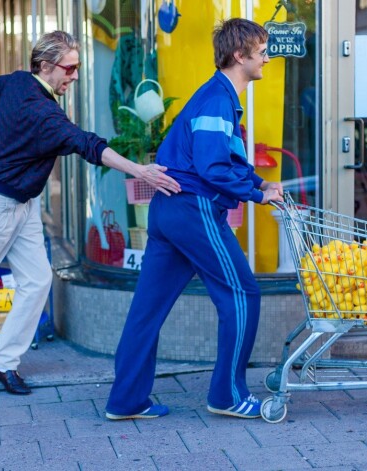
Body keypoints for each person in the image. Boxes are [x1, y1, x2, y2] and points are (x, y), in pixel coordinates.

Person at [0, 31, 180, 395]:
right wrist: (140, 171)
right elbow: (88, 144)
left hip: (23, 205)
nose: (75, 76)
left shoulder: (15, 83)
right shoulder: (44, 114)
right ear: (46, 67)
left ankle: (3, 363)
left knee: (37, 280)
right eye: (70, 68)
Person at [105, 18, 283, 420]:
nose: (267, 57)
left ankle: (125, 400)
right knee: (243, 294)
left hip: (171, 210)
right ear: (240, 55)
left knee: (147, 308)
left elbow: (220, 159)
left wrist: (259, 183)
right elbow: (211, 167)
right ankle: (227, 396)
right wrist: (256, 193)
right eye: (262, 50)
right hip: (194, 208)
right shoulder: (219, 100)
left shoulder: (215, 95)